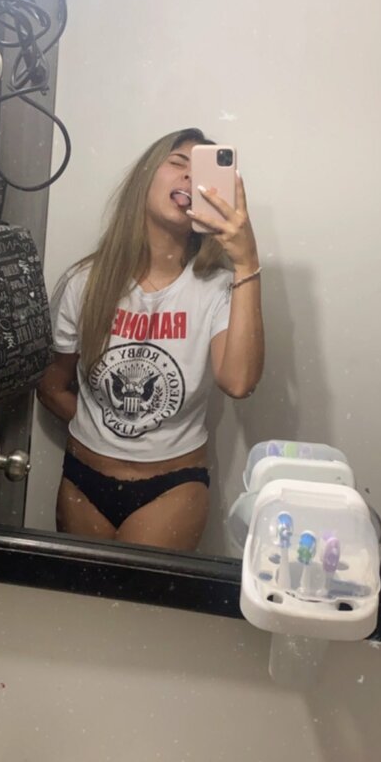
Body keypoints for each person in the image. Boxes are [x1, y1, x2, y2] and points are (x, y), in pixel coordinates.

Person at [37, 128, 264, 551]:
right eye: (177, 162)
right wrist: (110, 431)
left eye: (199, 172)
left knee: (136, 596)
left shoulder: (217, 289)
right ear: (145, 177)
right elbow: (51, 387)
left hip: (171, 488)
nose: (188, 176)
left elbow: (238, 382)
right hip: (83, 480)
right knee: (79, 594)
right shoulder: (85, 282)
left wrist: (246, 262)